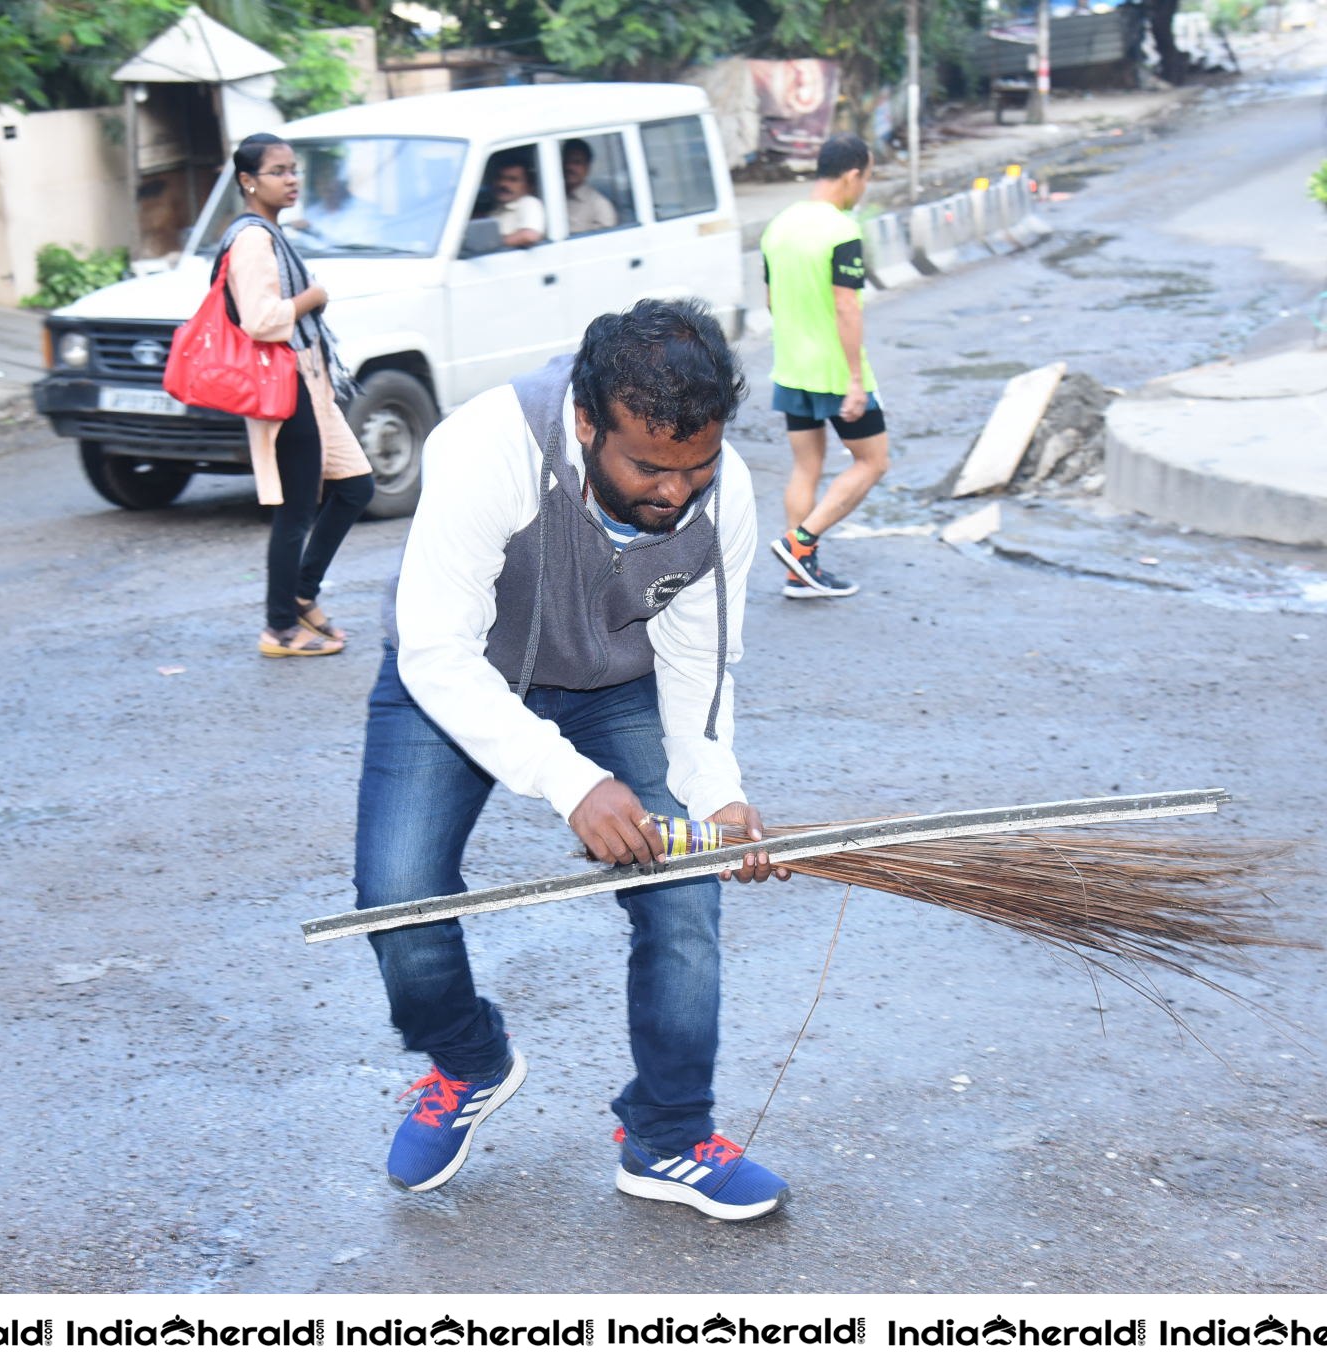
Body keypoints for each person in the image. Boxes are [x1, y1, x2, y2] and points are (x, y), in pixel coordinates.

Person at [354, 298, 793, 1221]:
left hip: (613, 679)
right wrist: (573, 781)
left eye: (696, 464)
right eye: (647, 466)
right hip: (461, 667)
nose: (676, 491)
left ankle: (668, 1135)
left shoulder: (726, 495)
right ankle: (468, 1058)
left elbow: (700, 661)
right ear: (587, 422)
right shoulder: (488, 446)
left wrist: (718, 797)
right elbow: (436, 649)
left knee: (683, 890)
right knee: (397, 891)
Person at [213, 133, 376, 658]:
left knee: (356, 486)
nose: (291, 180)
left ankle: (302, 593)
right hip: (285, 387)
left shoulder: (270, 233)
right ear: (247, 181)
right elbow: (261, 319)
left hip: (310, 382)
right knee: (296, 510)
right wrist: (313, 297)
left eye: (293, 170)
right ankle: (279, 627)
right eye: (278, 171)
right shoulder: (252, 240)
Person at [757, 132, 891, 601]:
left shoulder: (779, 225)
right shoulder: (840, 230)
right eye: (867, 178)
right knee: (873, 461)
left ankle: (800, 574)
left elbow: (772, 300)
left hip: (791, 367)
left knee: (805, 467)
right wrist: (854, 380)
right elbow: (847, 309)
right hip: (835, 373)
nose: (865, 188)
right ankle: (801, 543)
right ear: (853, 174)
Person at [484, 156, 547, 248]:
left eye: (513, 180)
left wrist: (490, 246)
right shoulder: (499, 207)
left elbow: (529, 236)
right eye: (500, 178)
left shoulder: (529, 203)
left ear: (529, 185)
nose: (503, 184)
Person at [562, 138, 619, 234]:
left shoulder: (600, 206)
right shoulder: (552, 198)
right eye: (566, 162)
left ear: (587, 167)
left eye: (577, 162)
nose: (569, 167)